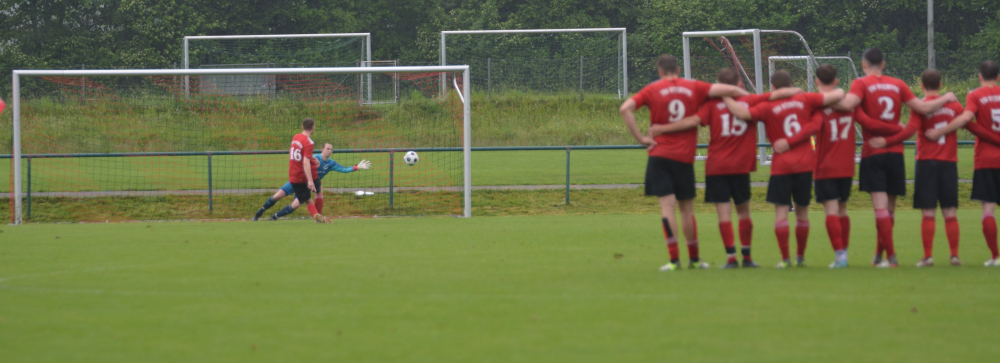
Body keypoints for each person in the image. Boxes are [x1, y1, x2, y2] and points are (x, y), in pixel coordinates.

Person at [649, 67, 801, 269]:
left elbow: (693, 121)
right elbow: (783, 93)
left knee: (723, 213)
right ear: (739, 83)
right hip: (741, 165)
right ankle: (746, 257)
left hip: (717, 166)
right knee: (744, 212)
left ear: (718, 84)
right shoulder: (750, 100)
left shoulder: (712, 104)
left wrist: (662, 129)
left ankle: (731, 258)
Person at [620, 55, 750, 271]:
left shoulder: (652, 89)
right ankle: (695, 260)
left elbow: (625, 108)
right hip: (683, 157)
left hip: (659, 156)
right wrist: (747, 98)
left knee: (667, 208)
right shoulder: (694, 86)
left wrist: (642, 139)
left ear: (660, 71)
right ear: (678, 69)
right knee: (687, 210)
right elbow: (730, 90)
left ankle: (673, 260)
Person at [835, 48, 958, 268]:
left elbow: (850, 108)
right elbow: (920, 109)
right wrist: (947, 97)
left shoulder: (861, 84)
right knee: (890, 210)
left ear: (864, 65)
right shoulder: (898, 84)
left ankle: (891, 257)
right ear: (883, 64)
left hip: (874, 151)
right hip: (896, 153)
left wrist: (817, 99)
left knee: (880, 209)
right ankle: (878, 254)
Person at [724, 70, 844, 268]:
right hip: (805, 165)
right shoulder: (806, 99)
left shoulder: (767, 105)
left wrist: (726, 96)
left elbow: (742, 113)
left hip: (781, 167)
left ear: (772, 87)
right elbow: (836, 96)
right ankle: (800, 257)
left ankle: (785, 258)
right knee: (802, 213)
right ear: (791, 84)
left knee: (781, 213)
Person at [868, 69, 965, 266]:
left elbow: (911, 129)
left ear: (921, 85)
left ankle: (928, 256)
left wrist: (890, 137)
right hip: (949, 162)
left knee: (928, 212)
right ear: (941, 84)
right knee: (950, 211)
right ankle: (954, 254)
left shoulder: (920, 107)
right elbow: (965, 122)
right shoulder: (954, 105)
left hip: (926, 162)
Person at [926, 60, 1000, 267]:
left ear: (979, 76)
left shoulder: (975, 95)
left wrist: (940, 131)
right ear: (998, 77)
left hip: (987, 159)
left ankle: (995, 257)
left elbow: (966, 118)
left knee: (988, 210)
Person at [254, 142, 371, 221]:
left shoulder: (331, 163)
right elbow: (301, 162)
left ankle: (274, 217)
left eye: (331, 149)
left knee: (295, 205)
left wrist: (357, 167)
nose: (330, 151)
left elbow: (344, 169)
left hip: (307, 187)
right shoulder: (314, 158)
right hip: (297, 182)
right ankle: (259, 213)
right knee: (277, 196)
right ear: (322, 150)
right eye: (328, 149)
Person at [280, 118, 327, 223]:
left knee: (307, 199)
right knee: (317, 191)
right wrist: (310, 180)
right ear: (313, 128)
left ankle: (318, 216)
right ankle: (318, 217)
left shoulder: (296, 137)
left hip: (293, 173)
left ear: (302, 127)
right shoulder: (309, 142)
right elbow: (305, 162)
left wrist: (311, 158)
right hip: (303, 174)